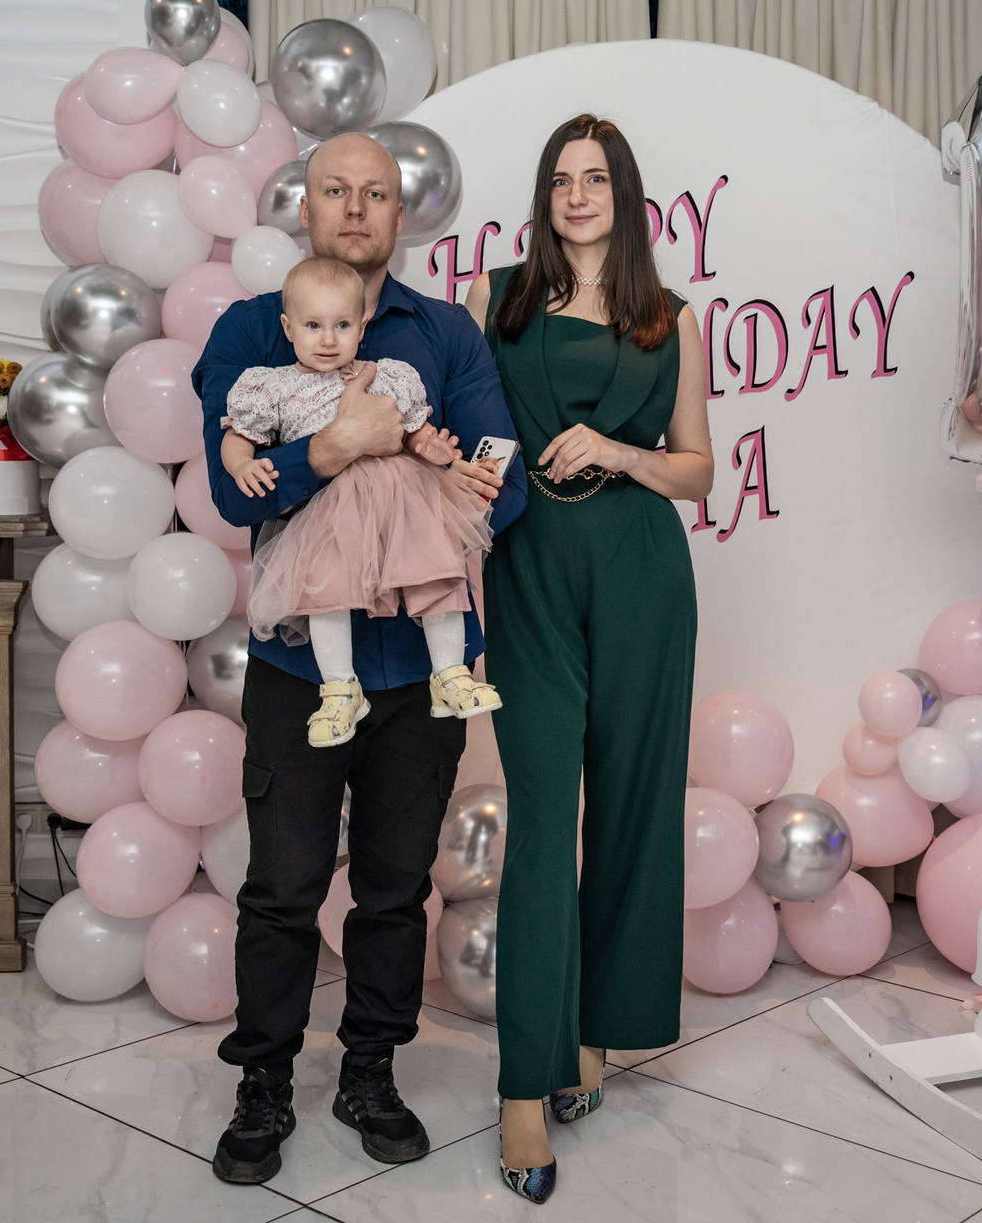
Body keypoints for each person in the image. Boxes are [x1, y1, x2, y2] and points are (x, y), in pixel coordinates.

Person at [193, 131, 527, 1188]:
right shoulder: (252, 329)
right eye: (334, 189)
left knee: (393, 889)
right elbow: (227, 486)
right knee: (283, 887)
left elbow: (504, 482)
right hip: (302, 661)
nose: (353, 207)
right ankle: (264, 1080)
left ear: (400, 213)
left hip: (421, 666)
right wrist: (335, 447)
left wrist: (419, 466)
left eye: (374, 193)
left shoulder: (444, 333)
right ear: (305, 207)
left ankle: (370, 1072)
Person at [466, 114, 713, 1204]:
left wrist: (619, 449)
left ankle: (594, 1035)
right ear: (544, 195)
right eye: (562, 179)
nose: (578, 195)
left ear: (625, 194)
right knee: (539, 816)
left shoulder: (672, 319)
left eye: (597, 178)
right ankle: (524, 1087)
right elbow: (470, 430)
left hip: (641, 570)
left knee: (631, 808)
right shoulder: (499, 300)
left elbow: (697, 469)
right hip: (529, 567)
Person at [220, 254, 501, 748]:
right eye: (313, 326)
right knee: (324, 592)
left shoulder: (387, 376)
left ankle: (450, 674)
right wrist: (242, 464)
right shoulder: (275, 386)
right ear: (288, 328)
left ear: (362, 325)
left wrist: (432, 448)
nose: (328, 339)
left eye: (342, 325)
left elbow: (415, 432)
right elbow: (237, 436)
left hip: (403, 499)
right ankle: (339, 689)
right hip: (331, 510)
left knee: (435, 571)